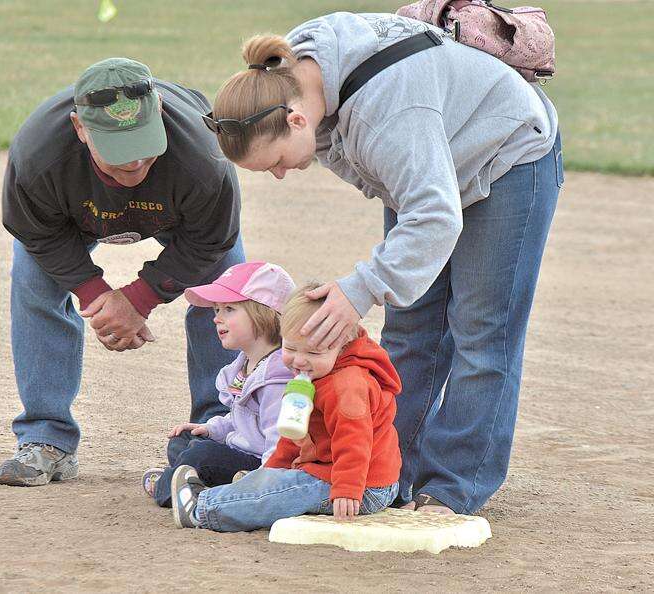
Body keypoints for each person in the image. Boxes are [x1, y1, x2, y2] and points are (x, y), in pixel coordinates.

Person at [203, 12, 563, 514]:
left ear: (296, 119)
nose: (283, 175)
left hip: (507, 153)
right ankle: (389, 474)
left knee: (481, 333)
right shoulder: (296, 74)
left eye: (278, 162)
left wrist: (361, 287)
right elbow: (409, 186)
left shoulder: (386, 116)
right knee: (410, 331)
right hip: (427, 161)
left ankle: (453, 486)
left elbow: (434, 213)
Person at [0, 57, 244, 486]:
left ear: (161, 113)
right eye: (117, 152)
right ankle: (45, 438)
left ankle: (219, 430)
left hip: (180, 218)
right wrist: (95, 292)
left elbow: (211, 239)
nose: (133, 164)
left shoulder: (204, 157)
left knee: (228, 288)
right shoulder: (38, 155)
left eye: (144, 146)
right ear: (80, 128)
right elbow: (36, 232)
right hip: (73, 216)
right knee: (34, 281)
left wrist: (140, 298)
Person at [171, 282, 402, 531]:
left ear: (343, 344)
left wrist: (347, 488)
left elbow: (354, 441)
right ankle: (245, 491)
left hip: (364, 485)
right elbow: (293, 435)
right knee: (275, 484)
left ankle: (202, 509)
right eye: (290, 348)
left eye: (313, 353)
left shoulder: (347, 386)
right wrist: (270, 472)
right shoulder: (311, 373)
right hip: (330, 472)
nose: (299, 361)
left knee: (283, 492)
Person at [142, 261, 295, 506]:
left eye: (229, 309)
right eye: (216, 310)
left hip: (264, 464)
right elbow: (242, 420)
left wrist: (265, 484)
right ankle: (202, 479)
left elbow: (280, 440)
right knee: (182, 441)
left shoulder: (276, 375)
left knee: (200, 455)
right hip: (243, 451)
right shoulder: (245, 363)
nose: (216, 319)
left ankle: (172, 487)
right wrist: (213, 429)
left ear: (263, 312)